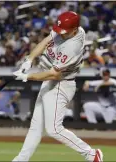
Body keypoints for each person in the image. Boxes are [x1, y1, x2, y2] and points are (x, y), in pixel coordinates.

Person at [12, 11, 103, 162]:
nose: (60, 34)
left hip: (61, 84)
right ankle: (21, 159)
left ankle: (91, 154)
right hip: (49, 81)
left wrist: (27, 76)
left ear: (74, 30)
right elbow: (46, 40)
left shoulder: (72, 46)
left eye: (64, 32)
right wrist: (29, 59)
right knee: (36, 127)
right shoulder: (68, 28)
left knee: (54, 129)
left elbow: (54, 74)